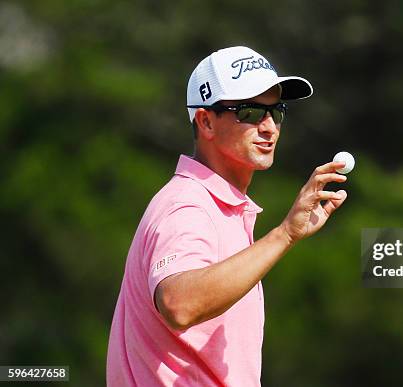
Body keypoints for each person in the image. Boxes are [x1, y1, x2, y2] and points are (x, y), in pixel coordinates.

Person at [106, 46, 348, 386]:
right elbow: (178, 303)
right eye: (250, 112)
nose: (269, 127)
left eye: (275, 111)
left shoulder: (219, 206)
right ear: (205, 121)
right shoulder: (187, 205)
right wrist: (284, 235)